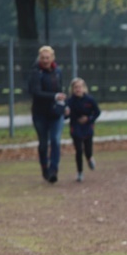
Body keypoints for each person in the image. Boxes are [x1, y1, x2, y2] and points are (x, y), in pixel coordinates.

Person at [27, 45, 66, 183]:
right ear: (40, 58)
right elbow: (36, 92)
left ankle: (53, 170)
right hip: (40, 114)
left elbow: (61, 90)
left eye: (47, 58)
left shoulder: (58, 72)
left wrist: (64, 106)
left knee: (55, 140)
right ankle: (45, 167)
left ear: (52, 58)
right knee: (44, 144)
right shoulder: (36, 73)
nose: (45, 60)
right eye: (43, 58)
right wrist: (54, 96)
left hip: (55, 113)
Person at [65, 78, 101, 182]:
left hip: (88, 127)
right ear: (72, 89)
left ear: (84, 88)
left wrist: (89, 119)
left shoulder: (90, 100)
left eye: (80, 87)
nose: (78, 89)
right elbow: (65, 116)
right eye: (75, 87)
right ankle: (80, 172)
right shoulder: (69, 101)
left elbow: (97, 112)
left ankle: (90, 158)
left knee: (88, 150)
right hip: (75, 127)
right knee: (79, 150)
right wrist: (66, 114)